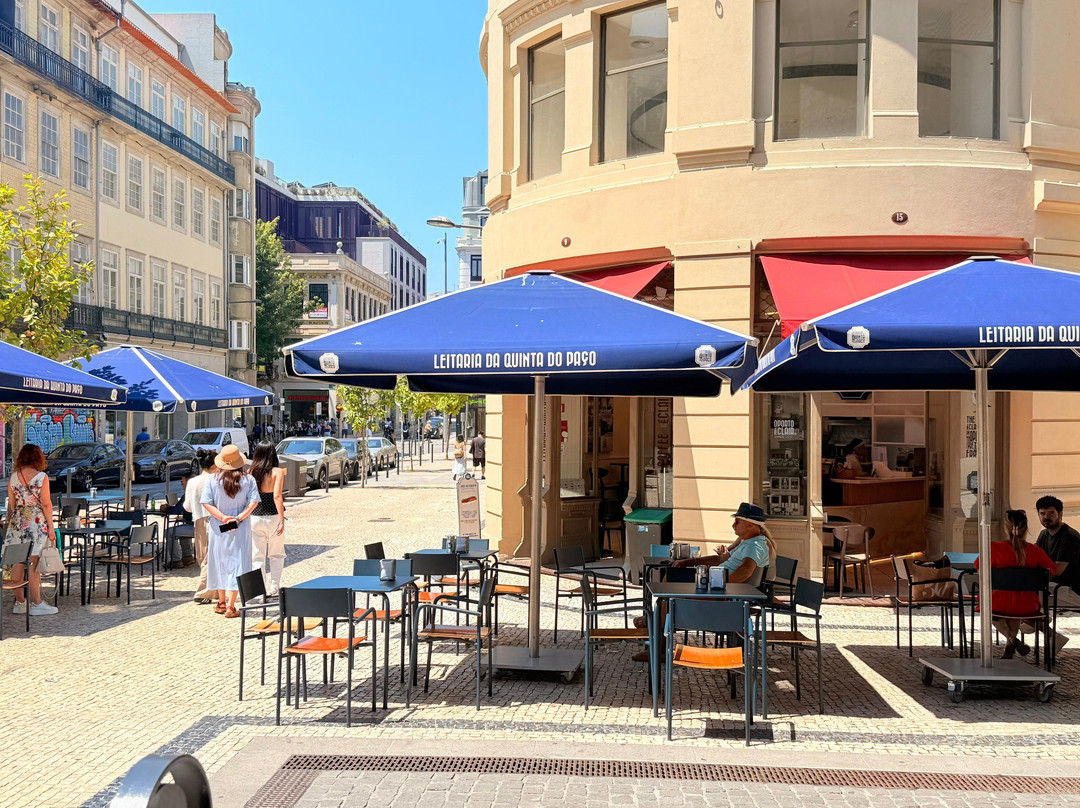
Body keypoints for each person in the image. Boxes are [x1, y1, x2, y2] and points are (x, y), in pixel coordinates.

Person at [975, 509, 1057, 659]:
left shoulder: (993, 548)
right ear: (1026, 529)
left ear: (1005, 528)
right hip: (1027, 605)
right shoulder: (1035, 550)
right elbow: (1052, 571)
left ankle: (1012, 639)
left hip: (998, 603)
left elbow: (981, 572)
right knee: (1014, 611)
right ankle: (1009, 649)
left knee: (990, 609)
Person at [201, 445, 259, 618]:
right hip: (240, 527)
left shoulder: (212, 479)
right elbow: (254, 502)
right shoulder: (248, 480)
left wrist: (223, 517)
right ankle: (232, 606)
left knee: (219, 561)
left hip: (218, 527)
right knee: (238, 562)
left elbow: (206, 502)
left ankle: (221, 602)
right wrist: (238, 517)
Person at [3, 444, 59, 616]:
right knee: (34, 563)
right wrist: (51, 527)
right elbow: (47, 504)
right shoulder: (42, 477)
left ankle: (20, 602)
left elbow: (11, 505)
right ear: (37, 457)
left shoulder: (13, 477)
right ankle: (37, 603)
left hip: (17, 523)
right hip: (35, 522)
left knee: (18, 562)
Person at [1034, 494, 1078, 650]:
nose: (1046, 517)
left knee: (1026, 601)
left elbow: (1057, 570)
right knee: (1021, 598)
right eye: (1042, 514)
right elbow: (1033, 559)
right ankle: (1042, 625)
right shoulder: (1043, 535)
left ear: (1060, 514)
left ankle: (1036, 621)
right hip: (1053, 587)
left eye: (1051, 513)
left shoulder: (1069, 537)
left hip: (1071, 590)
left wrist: (1031, 578)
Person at [248, 441, 287, 596]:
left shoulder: (251, 471)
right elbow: (277, 496)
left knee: (257, 556)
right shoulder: (277, 472)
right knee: (276, 554)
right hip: (273, 515)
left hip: (255, 517)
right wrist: (282, 519)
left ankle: (259, 591)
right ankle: (274, 588)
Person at [184, 450, 218, 604]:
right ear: (214, 465)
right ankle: (204, 591)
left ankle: (214, 590)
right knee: (213, 556)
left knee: (203, 556)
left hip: (198, 520)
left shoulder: (192, 482)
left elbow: (187, 507)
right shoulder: (217, 479)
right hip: (216, 519)